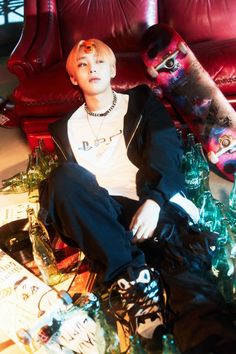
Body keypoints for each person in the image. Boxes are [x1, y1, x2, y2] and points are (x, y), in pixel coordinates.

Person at [39, 39, 236, 353]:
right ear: (74, 78)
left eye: (99, 62)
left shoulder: (141, 103)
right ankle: (134, 282)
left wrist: (155, 200)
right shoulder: (66, 128)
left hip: (156, 210)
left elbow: (166, 151)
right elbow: (70, 196)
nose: (92, 68)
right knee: (62, 177)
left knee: (193, 298)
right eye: (82, 64)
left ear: (113, 69)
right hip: (107, 221)